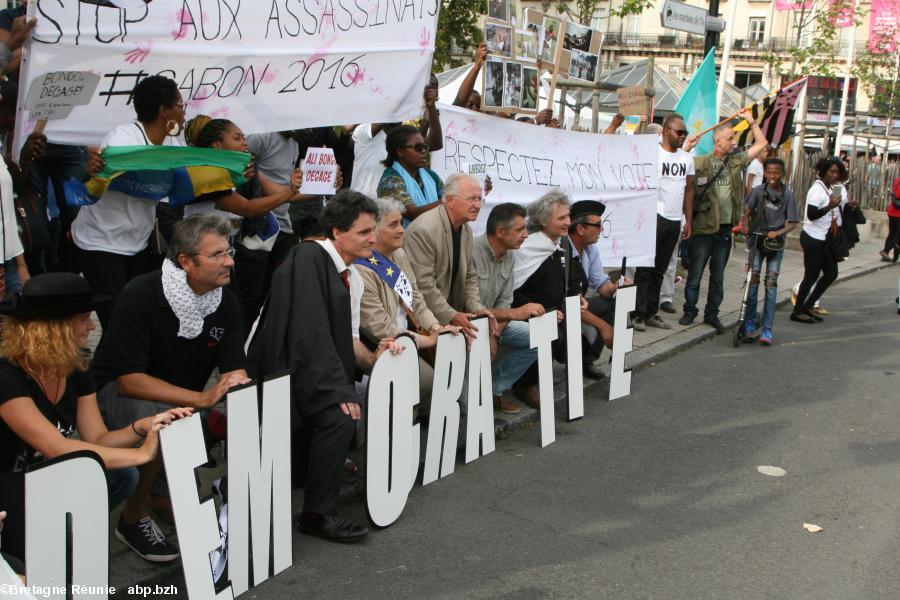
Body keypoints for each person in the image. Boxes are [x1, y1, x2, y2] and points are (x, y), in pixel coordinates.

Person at [0, 273, 189, 566]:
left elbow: (98, 439)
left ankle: (66, 536)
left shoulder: (74, 367)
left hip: (43, 477)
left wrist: (144, 426)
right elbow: (56, 448)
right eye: (83, 319)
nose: (91, 326)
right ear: (51, 328)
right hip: (8, 485)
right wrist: (140, 453)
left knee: (122, 475)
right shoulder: (7, 377)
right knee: (32, 578)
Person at [91, 214, 249, 561]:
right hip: (117, 396)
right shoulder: (142, 292)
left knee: (185, 506)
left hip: (178, 400)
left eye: (229, 251)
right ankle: (132, 518)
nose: (230, 261)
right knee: (161, 419)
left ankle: (161, 496)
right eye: (218, 254)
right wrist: (203, 398)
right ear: (186, 262)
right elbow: (130, 381)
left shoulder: (226, 300)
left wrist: (238, 390)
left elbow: (234, 367)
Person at [248, 191, 402, 543]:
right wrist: (338, 389)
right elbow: (308, 330)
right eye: (364, 232)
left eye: (372, 230)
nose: (373, 239)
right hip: (276, 369)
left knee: (343, 409)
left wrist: (375, 358)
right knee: (341, 413)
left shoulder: (355, 277)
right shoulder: (308, 256)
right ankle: (317, 514)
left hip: (312, 369)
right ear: (336, 231)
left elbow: (347, 341)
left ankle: (313, 494)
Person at [73, 75, 186, 331]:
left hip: (136, 243)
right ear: (164, 110)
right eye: (180, 105)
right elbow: (95, 178)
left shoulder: (172, 144)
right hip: (100, 243)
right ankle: (110, 370)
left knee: (136, 318)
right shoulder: (123, 140)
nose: (184, 112)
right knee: (118, 322)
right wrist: (94, 169)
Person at [183, 116, 302, 332]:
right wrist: (290, 191)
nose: (244, 143)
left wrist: (323, 187)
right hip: (198, 257)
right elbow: (248, 208)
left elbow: (278, 194)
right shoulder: (207, 172)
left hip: (222, 254)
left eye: (244, 137)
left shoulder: (240, 171)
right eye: (237, 138)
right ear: (217, 145)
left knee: (233, 307)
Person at [357, 197, 459, 405]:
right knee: (427, 381)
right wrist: (429, 340)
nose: (402, 229)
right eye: (393, 224)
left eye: (401, 222)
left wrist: (436, 327)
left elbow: (416, 300)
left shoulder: (399, 254)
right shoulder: (361, 268)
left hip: (408, 337)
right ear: (373, 230)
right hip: (382, 346)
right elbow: (379, 328)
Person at [680, 108, 768, 333]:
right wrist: (687, 147)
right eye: (730, 138)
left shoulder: (736, 161)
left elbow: (761, 144)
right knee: (695, 275)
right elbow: (679, 166)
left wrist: (751, 122)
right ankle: (690, 311)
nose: (733, 142)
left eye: (734, 138)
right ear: (716, 140)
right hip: (703, 229)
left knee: (718, 277)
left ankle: (712, 314)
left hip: (725, 230)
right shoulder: (699, 162)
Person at [513, 193, 608, 385]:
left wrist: (577, 297)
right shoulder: (526, 247)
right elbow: (513, 291)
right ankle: (527, 385)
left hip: (561, 311)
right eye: (561, 218)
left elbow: (573, 279)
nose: (567, 223)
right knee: (555, 333)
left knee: (600, 310)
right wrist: (542, 311)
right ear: (543, 221)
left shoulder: (563, 243)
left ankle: (584, 362)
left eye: (568, 217)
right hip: (533, 314)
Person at [404, 174, 497, 343]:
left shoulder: (465, 229)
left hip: (452, 316)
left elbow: (469, 275)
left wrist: (477, 308)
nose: (477, 205)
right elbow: (423, 285)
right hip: (426, 321)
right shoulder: (424, 230)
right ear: (450, 200)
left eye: (479, 199)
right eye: (471, 199)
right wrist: (451, 315)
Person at [472, 203, 542, 412]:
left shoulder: (510, 255)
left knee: (537, 337)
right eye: (520, 229)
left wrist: (493, 336)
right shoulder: (471, 252)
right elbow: (469, 308)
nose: (526, 235)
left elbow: (504, 301)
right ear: (501, 232)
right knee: (468, 406)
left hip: (494, 326)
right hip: (469, 327)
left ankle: (494, 389)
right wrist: (516, 314)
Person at [632, 113, 694, 332]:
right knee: (645, 268)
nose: (682, 136)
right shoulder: (653, 153)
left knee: (660, 269)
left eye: (684, 133)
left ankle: (650, 312)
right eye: (679, 132)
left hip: (675, 219)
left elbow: (689, 189)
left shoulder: (686, 158)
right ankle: (637, 314)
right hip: (654, 216)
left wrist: (688, 219)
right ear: (666, 131)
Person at [738, 158, 799, 345]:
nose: (773, 176)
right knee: (753, 282)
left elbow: (793, 223)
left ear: (783, 174)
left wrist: (777, 232)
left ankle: (767, 328)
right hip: (757, 240)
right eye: (770, 172)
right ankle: (749, 323)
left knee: (771, 284)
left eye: (777, 173)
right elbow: (747, 211)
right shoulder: (758, 191)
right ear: (765, 173)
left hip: (775, 244)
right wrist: (745, 225)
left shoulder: (788, 195)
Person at [565, 200, 621, 378]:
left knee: (612, 303)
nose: (602, 229)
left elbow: (602, 286)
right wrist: (603, 327)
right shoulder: (562, 252)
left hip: (577, 305)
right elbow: (567, 302)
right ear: (581, 229)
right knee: (598, 321)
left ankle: (586, 360)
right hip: (560, 308)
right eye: (597, 225)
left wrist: (615, 288)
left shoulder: (591, 250)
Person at [792, 156, 851, 324]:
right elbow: (811, 215)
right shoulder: (816, 190)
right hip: (813, 238)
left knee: (831, 273)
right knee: (810, 276)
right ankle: (797, 311)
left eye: (837, 172)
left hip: (824, 239)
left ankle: (808, 305)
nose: (834, 175)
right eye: (831, 171)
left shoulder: (829, 188)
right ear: (823, 171)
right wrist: (830, 206)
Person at [377, 125, 444, 222]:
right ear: (400, 152)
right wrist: (450, 200)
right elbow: (413, 213)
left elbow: (445, 198)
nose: (424, 151)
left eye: (425, 146)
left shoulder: (431, 175)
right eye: (418, 147)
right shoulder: (390, 180)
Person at [879, 174, 900, 263]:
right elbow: (898, 195)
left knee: (892, 234)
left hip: (892, 212)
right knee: (897, 236)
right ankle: (885, 251)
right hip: (898, 214)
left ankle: (886, 253)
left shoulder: (897, 179)